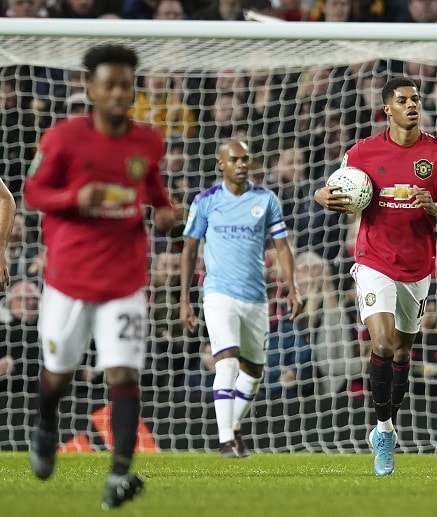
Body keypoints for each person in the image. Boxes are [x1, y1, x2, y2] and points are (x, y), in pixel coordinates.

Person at [23, 43, 176, 510]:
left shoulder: (148, 142)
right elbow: (32, 192)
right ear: (90, 87)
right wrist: (76, 195)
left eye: (125, 84)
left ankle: (118, 476)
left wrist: (167, 210)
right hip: (68, 279)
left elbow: (154, 190)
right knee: (57, 374)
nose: (117, 92)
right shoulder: (63, 139)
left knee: (125, 374)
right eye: (108, 83)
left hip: (124, 281)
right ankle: (46, 426)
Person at [314, 76, 437, 475]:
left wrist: (433, 207)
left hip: (417, 266)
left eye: (415, 99)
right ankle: (382, 432)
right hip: (373, 259)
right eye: (403, 100)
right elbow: (330, 189)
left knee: (401, 352)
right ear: (388, 109)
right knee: (380, 343)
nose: (412, 105)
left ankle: (388, 424)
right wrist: (322, 197)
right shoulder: (363, 152)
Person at [180, 138, 301, 458]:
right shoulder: (205, 201)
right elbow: (190, 248)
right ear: (221, 164)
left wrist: (292, 285)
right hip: (218, 293)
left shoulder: (266, 199)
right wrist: (184, 300)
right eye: (234, 159)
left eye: (245, 159)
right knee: (227, 360)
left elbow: (282, 246)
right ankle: (225, 441)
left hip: (256, 297)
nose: (241, 164)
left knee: (253, 373)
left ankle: (232, 427)